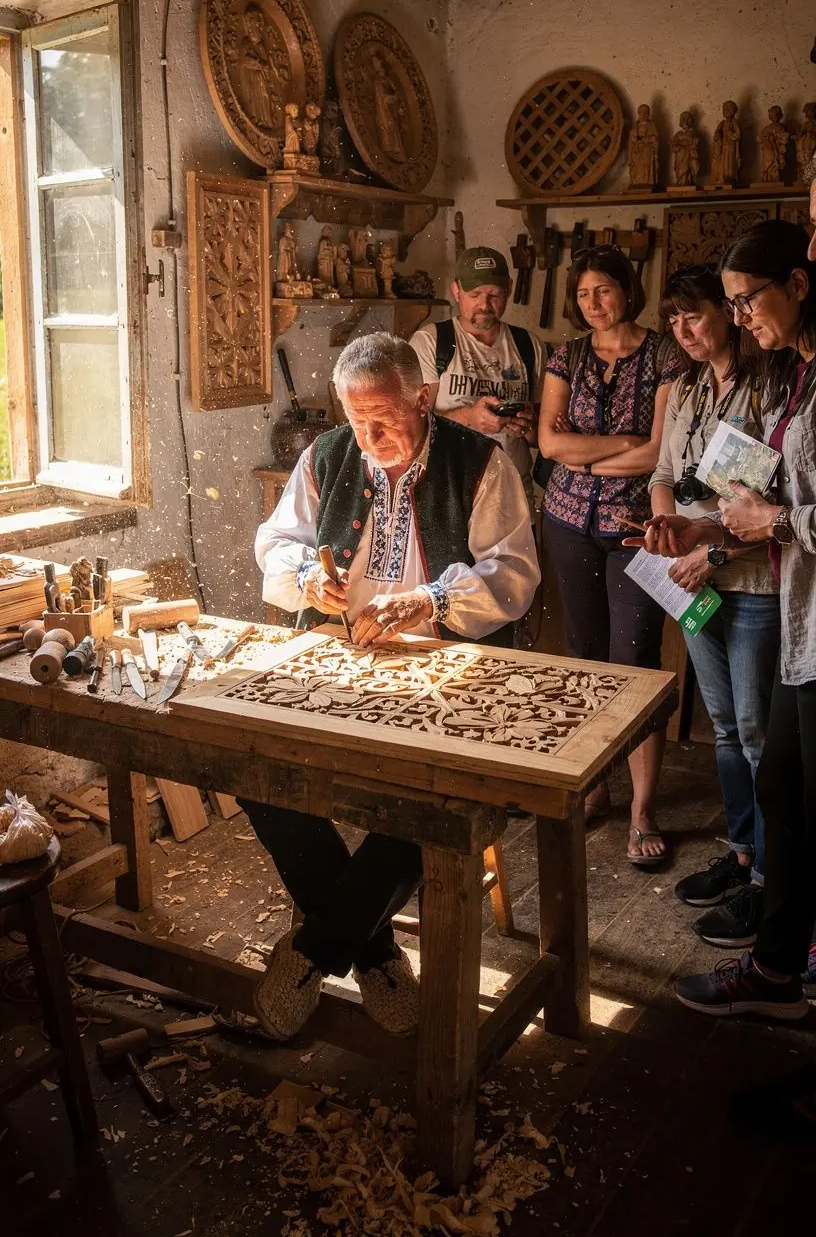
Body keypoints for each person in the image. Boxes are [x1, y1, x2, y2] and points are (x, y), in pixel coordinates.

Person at [245, 333, 539, 1043]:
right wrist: (305, 576)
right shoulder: (326, 456)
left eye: (385, 418)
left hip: (452, 666)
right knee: (258, 772)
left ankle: (319, 952)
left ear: (425, 398)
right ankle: (374, 953)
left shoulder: (481, 464)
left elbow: (514, 576)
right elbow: (274, 542)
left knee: (436, 805)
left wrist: (431, 600)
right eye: (356, 420)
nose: (370, 436)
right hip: (346, 659)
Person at [627, 209, 816, 1071]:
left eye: (744, 302)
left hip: (772, 600)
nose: (736, 319)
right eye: (726, 305)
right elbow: (681, 478)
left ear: (800, 286)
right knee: (772, 775)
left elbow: (769, 501)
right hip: (778, 611)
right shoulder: (780, 378)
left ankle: (784, 950)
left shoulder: (780, 382)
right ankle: (773, 936)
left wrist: (755, 527)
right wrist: (691, 537)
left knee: (761, 751)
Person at [537, 244, 682, 865]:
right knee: (587, 654)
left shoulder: (665, 354)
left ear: (628, 289)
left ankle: (643, 807)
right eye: (584, 293)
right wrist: (622, 441)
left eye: (605, 290)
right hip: (567, 522)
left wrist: (586, 449)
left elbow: (660, 453)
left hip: (636, 527)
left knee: (636, 661)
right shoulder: (565, 354)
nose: (594, 304)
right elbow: (547, 442)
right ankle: (595, 783)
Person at [650, 265, 779, 947]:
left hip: (749, 577)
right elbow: (665, 477)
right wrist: (667, 527)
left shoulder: (770, 386)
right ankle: (742, 854)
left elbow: (752, 507)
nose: (685, 329)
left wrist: (709, 546)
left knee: (758, 734)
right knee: (724, 728)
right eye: (673, 319)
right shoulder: (686, 389)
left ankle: (769, 883)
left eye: (694, 314)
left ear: (728, 313)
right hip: (693, 578)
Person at [410, 246, 545, 520]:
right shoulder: (431, 342)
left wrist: (528, 425)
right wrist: (470, 417)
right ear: (456, 291)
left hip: (513, 497)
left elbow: (541, 437)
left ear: (508, 289)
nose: (484, 305)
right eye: (474, 295)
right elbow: (412, 425)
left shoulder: (529, 345)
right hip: (450, 497)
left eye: (494, 295)